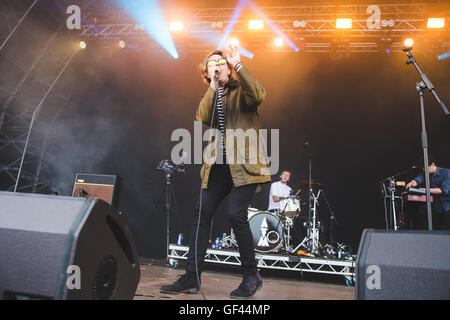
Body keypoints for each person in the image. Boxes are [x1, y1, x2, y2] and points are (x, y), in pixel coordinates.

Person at [160, 43, 271, 298]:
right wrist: (213, 85)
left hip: (244, 163)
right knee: (201, 212)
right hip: (218, 164)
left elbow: (260, 95)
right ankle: (191, 275)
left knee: (236, 214)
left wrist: (238, 63)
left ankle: (251, 275)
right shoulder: (211, 93)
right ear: (207, 72)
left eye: (221, 63)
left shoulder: (242, 89)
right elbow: (201, 118)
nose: (217, 67)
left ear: (230, 68)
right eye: (212, 64)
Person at [405, 156, 450, 230]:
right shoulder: (426, 173)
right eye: (422, 168)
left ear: (432, 164)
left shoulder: (446, 172)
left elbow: (442, 190)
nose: (424, 170)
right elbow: (418, 179)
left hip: (447, 206)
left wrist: (425, 190)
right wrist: (411, 183)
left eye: (425, 168)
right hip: (437, 207)